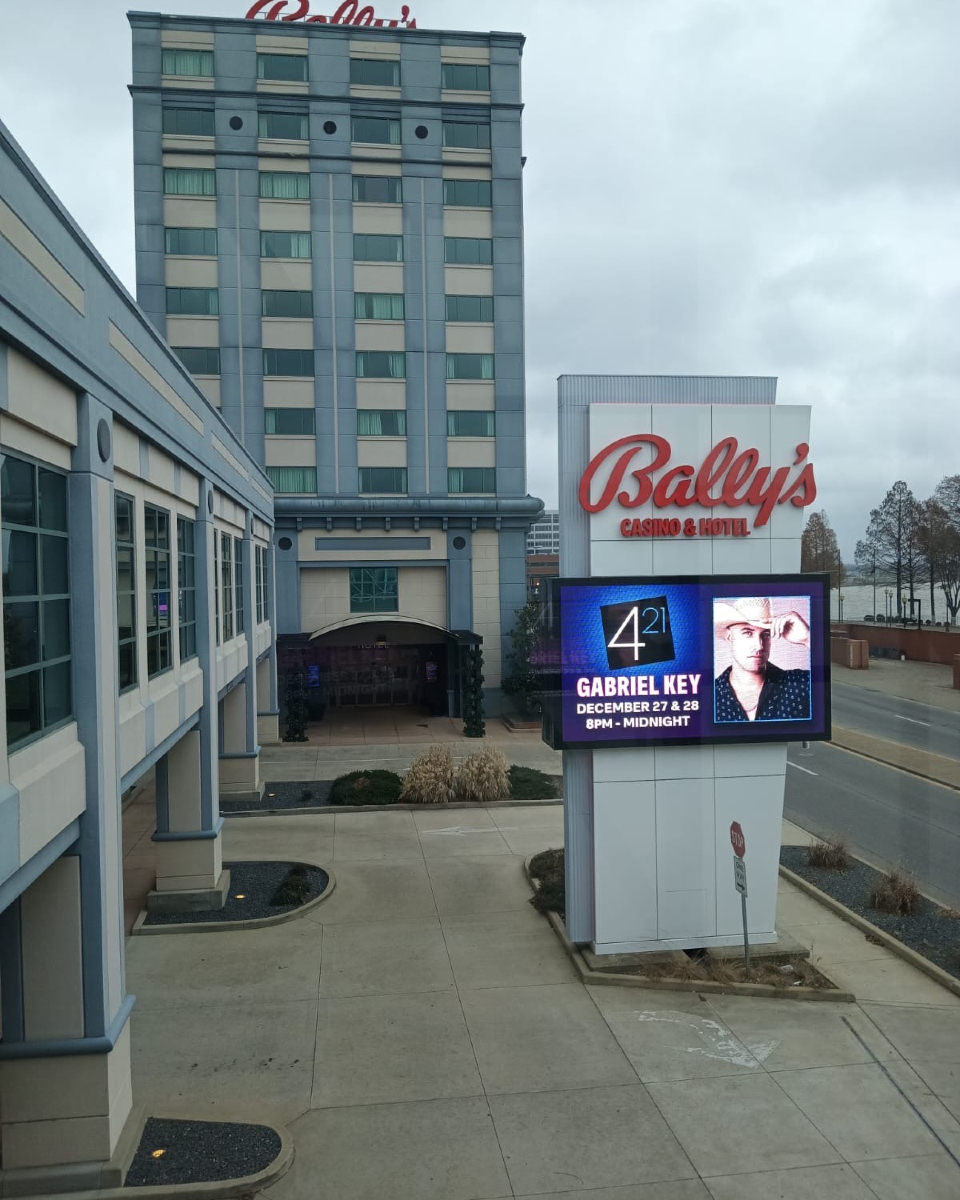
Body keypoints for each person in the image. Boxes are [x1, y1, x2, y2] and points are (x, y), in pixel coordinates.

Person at [714, 597, 811, 722]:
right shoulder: (710, 694)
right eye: (747, 633)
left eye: (766, 634)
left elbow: (830, 679)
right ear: (729, 637)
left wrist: (807, 639)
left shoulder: (798, 683)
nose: (759, 646)